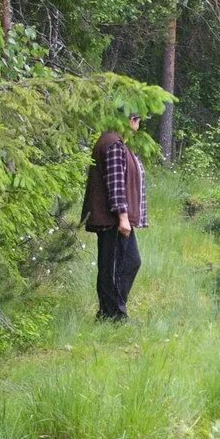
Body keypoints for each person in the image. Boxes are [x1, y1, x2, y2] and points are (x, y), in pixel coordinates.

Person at [81, 112, 148, 321]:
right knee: (115, 266)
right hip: (113, 220)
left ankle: (111, 312)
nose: (138, 123)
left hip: (115, 219)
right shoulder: (113, 144)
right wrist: (123, 217)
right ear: (129, 120)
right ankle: (113, 315)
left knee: (127, 263)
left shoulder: (116, 142)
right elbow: (116, 185)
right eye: (137, 119)